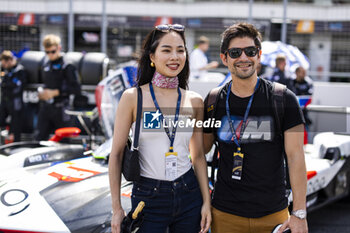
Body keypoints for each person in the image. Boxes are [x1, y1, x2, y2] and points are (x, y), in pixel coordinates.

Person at [203, 23, 308, 233]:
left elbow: (296, 157)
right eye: (235, 52)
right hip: (224, 214)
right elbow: (200, 151)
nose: (243, 58)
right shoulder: (213, 100)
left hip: (274, 215)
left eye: (250, 51)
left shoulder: (283, 98)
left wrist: (299, 213)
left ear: (258, 55)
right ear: (224, 58)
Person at [109, 24, 211, 233]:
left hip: (189, 193)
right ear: (152, 57)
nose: (175, 56)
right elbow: (117, 155)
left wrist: (206, 203)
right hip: (148, 197)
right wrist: (116, 207)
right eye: (166, 50)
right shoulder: (133, 98)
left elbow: (198, 156)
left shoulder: (195, 101)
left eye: (180, 50)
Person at [35, 34, 81, 140]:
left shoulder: (67, 65)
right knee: (39, 138)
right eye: (47, 52)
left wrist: (56, 92)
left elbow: (76, 89)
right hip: (46, 107)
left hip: (62, 109)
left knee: (63, 140)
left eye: (53, 51)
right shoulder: (46, 65)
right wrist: (42, 94)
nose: (50, 55)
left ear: (59, 48)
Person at [0, 50, 27, 142]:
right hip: (5, 101)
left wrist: (6, 84)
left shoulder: (19, 70)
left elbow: (18, 86)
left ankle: (16, 144)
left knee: (16, 126)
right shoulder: (5, 70)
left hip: (15, 103)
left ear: (9, 61)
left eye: (4, 64)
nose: (3, 66)